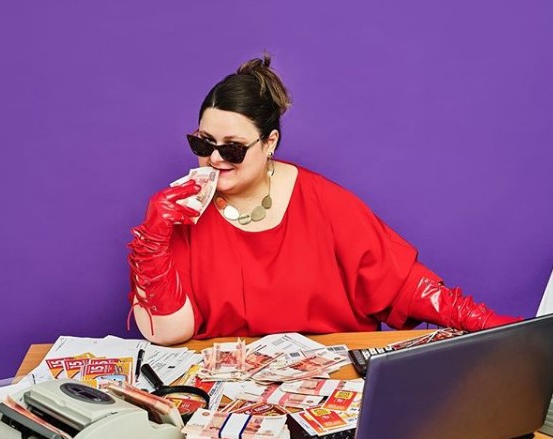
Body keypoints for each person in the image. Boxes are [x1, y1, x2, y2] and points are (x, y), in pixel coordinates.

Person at [127, 54, 518, 345]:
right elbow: (168, 333)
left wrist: (486, 324)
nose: (214, 158)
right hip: (226, 387)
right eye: (203, 143)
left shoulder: (324, 202)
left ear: (269, 143)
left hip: (329, 379)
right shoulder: (177, 211)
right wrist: (154, 239)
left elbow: (402, 284)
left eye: (232, 148)